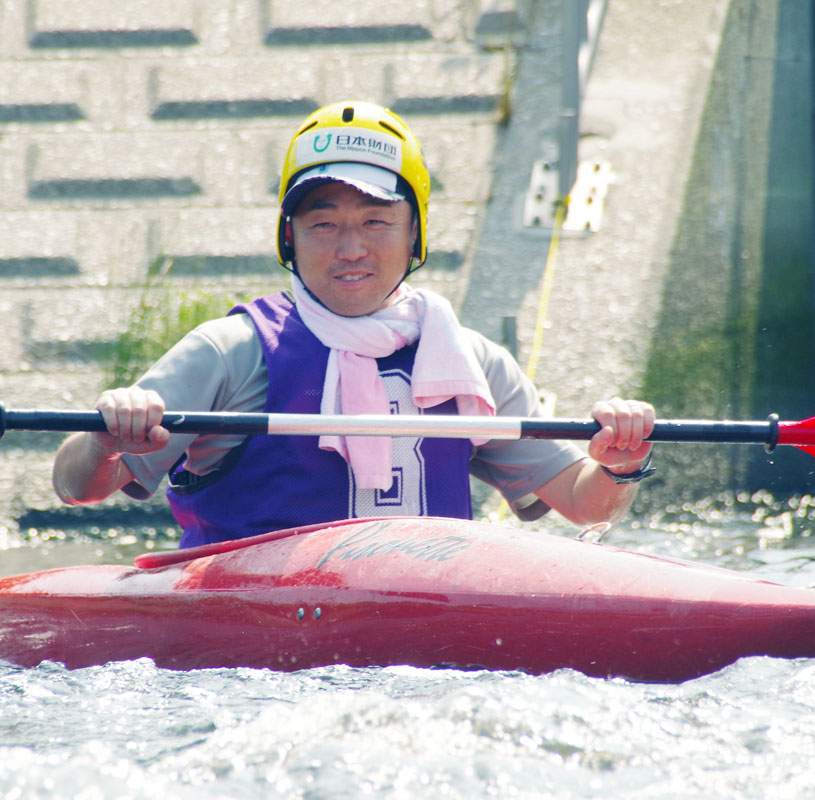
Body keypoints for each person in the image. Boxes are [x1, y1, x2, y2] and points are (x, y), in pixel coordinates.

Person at [53, 101, 656, 548]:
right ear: (289, 236)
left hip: (422, 633)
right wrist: (103, 441)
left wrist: (620, 462)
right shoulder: (229, 351)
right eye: (323, 224)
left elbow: (582, 503)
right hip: (251, 649)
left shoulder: (472, 362)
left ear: (414, 233)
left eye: (375, 222)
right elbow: (77, 488)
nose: (350, 249)